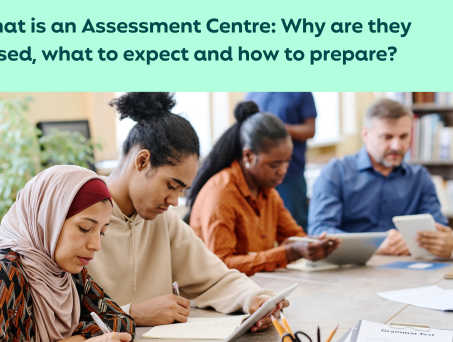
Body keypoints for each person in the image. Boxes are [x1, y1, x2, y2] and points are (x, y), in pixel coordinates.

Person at [87, 93, 288, 332]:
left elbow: (214, 278)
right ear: (142, 161)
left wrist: (254, 299)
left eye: (181, 190)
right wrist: (132, 312)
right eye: (171, 185)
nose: (173, 201)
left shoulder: (163, 221)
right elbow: (53, 313)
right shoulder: (80, 213)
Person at [0, 166, 135, 342]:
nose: (96, 245)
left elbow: (121, 321)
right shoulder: (0, 271)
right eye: (85, 228)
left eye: (102, 232)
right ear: (48, 219)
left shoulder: (66, 272)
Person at [187, 101, 339, 277]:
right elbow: (222, 264)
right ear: (248, 156)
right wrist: (289, 252)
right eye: (275, 164)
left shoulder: (267, 191)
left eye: (287, 161)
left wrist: (314, 244)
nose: (282, 170)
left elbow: (293, 236)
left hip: (255, 289)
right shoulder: (220, 193)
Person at [308, 98, 449, 256]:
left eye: (403, 136)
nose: (397, 146)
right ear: (365, 134)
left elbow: (438, 229)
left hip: (408, 269)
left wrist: (444, 242)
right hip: (349, 268)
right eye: (387, 137)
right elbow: (319, 231)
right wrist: (374, 245)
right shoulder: (335, 173)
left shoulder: (420, 177)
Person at [245, 92, 317, 231]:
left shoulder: (301, 93)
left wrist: (277, 129)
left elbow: (310, 130)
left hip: (291, 175)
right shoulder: (253, 93)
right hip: (259, 176)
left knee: (295, 225)